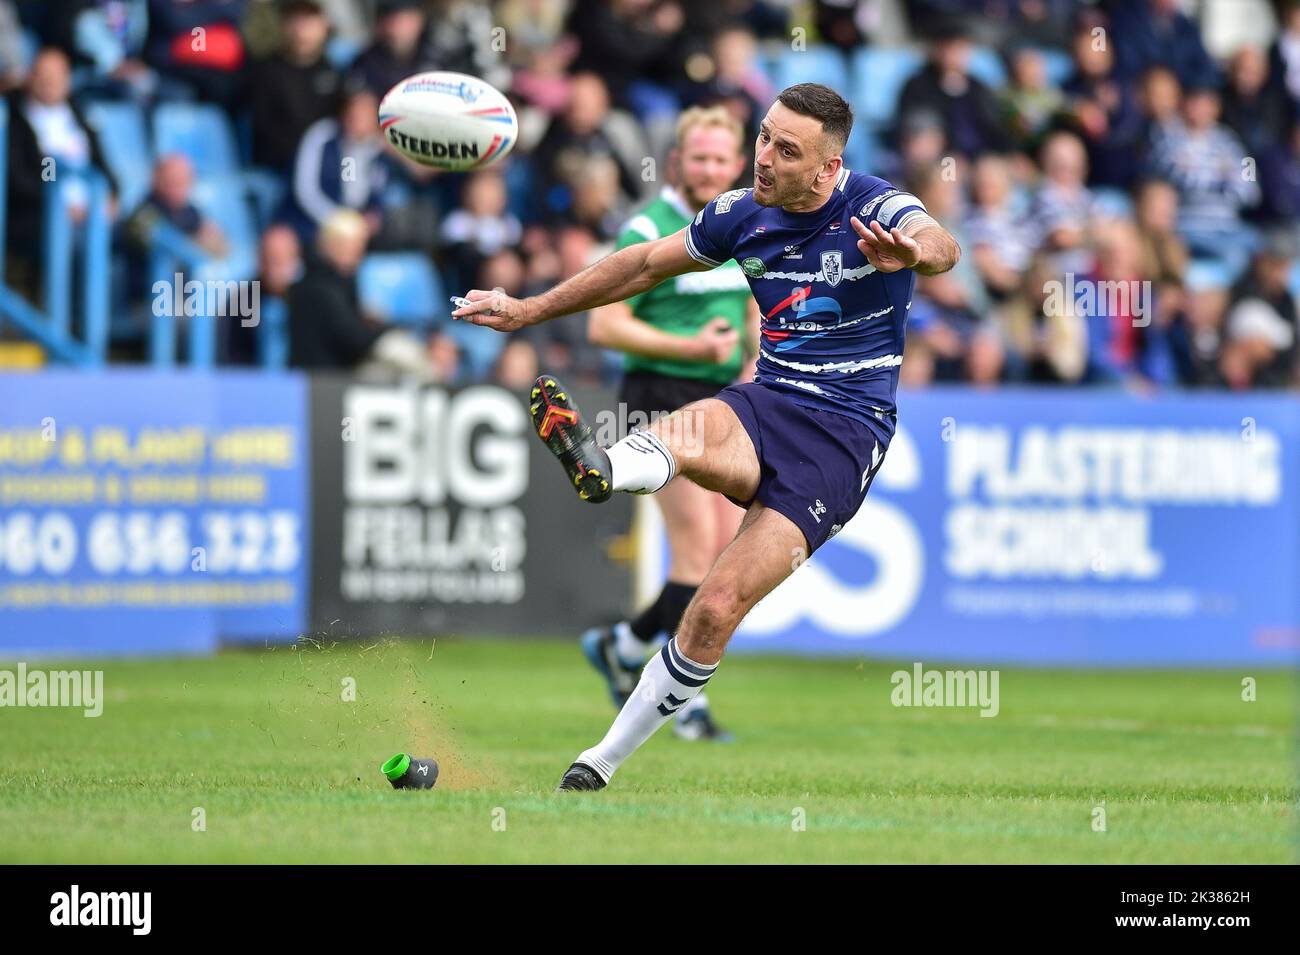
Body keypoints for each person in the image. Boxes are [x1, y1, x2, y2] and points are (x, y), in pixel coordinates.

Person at [452, 83, 961, 791]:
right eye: (763, 136)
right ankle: (601, 467)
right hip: (770, 396)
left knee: (715, 607)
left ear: (826, 169)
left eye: (787, 150)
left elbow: (942, 244)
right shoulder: (741, 214)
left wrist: (913, 254)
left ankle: (600, 761)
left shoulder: (875, 205)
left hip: (845, 436)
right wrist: (529, 308)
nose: (764, 158)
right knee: (693, 430)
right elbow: (642, 265)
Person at [580, 105, 759, 743]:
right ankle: (687, 704)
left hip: (722, 405)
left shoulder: (742, 225)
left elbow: (749, 313)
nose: (710, 169)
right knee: (697, 555)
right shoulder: (647, 226)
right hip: (656, 397)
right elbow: (604, 324)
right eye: (699, 158)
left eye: (721, 159)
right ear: (677, 161)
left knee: (718, 557)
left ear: (737, 163)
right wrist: (694, 350)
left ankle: (625, 647)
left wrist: (752, 368)